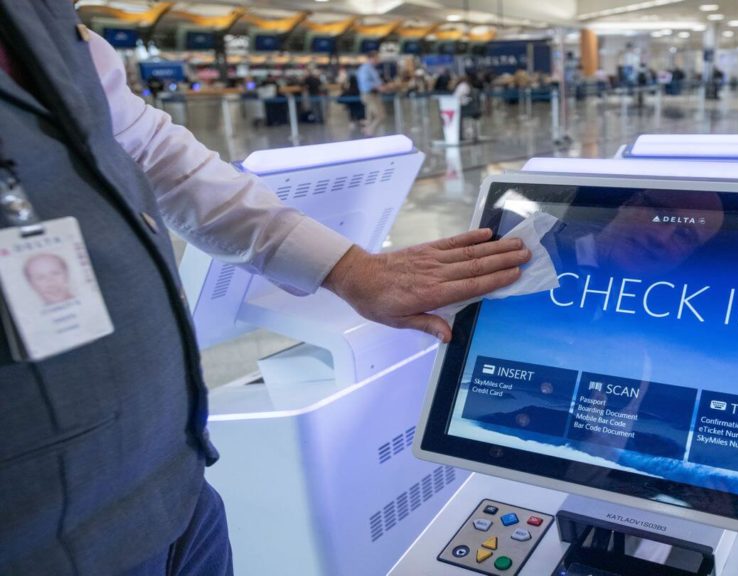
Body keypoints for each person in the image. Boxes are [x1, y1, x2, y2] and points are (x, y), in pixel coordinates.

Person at [0, 3, 530, 575]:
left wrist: (348, 268)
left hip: (174, 480)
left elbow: (148, 145)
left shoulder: (42, 19)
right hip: (42, 533)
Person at [356, 50, 386, 135]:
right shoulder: (365, 68)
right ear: (371, 58)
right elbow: (365, 83)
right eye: (377, 58)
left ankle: (369, 133)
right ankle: (369, 131)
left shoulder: (372, 68)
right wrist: (377, 87)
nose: (378, 60)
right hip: (369, 95)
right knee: (380, 115)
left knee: (370, 117)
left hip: (374, 94)